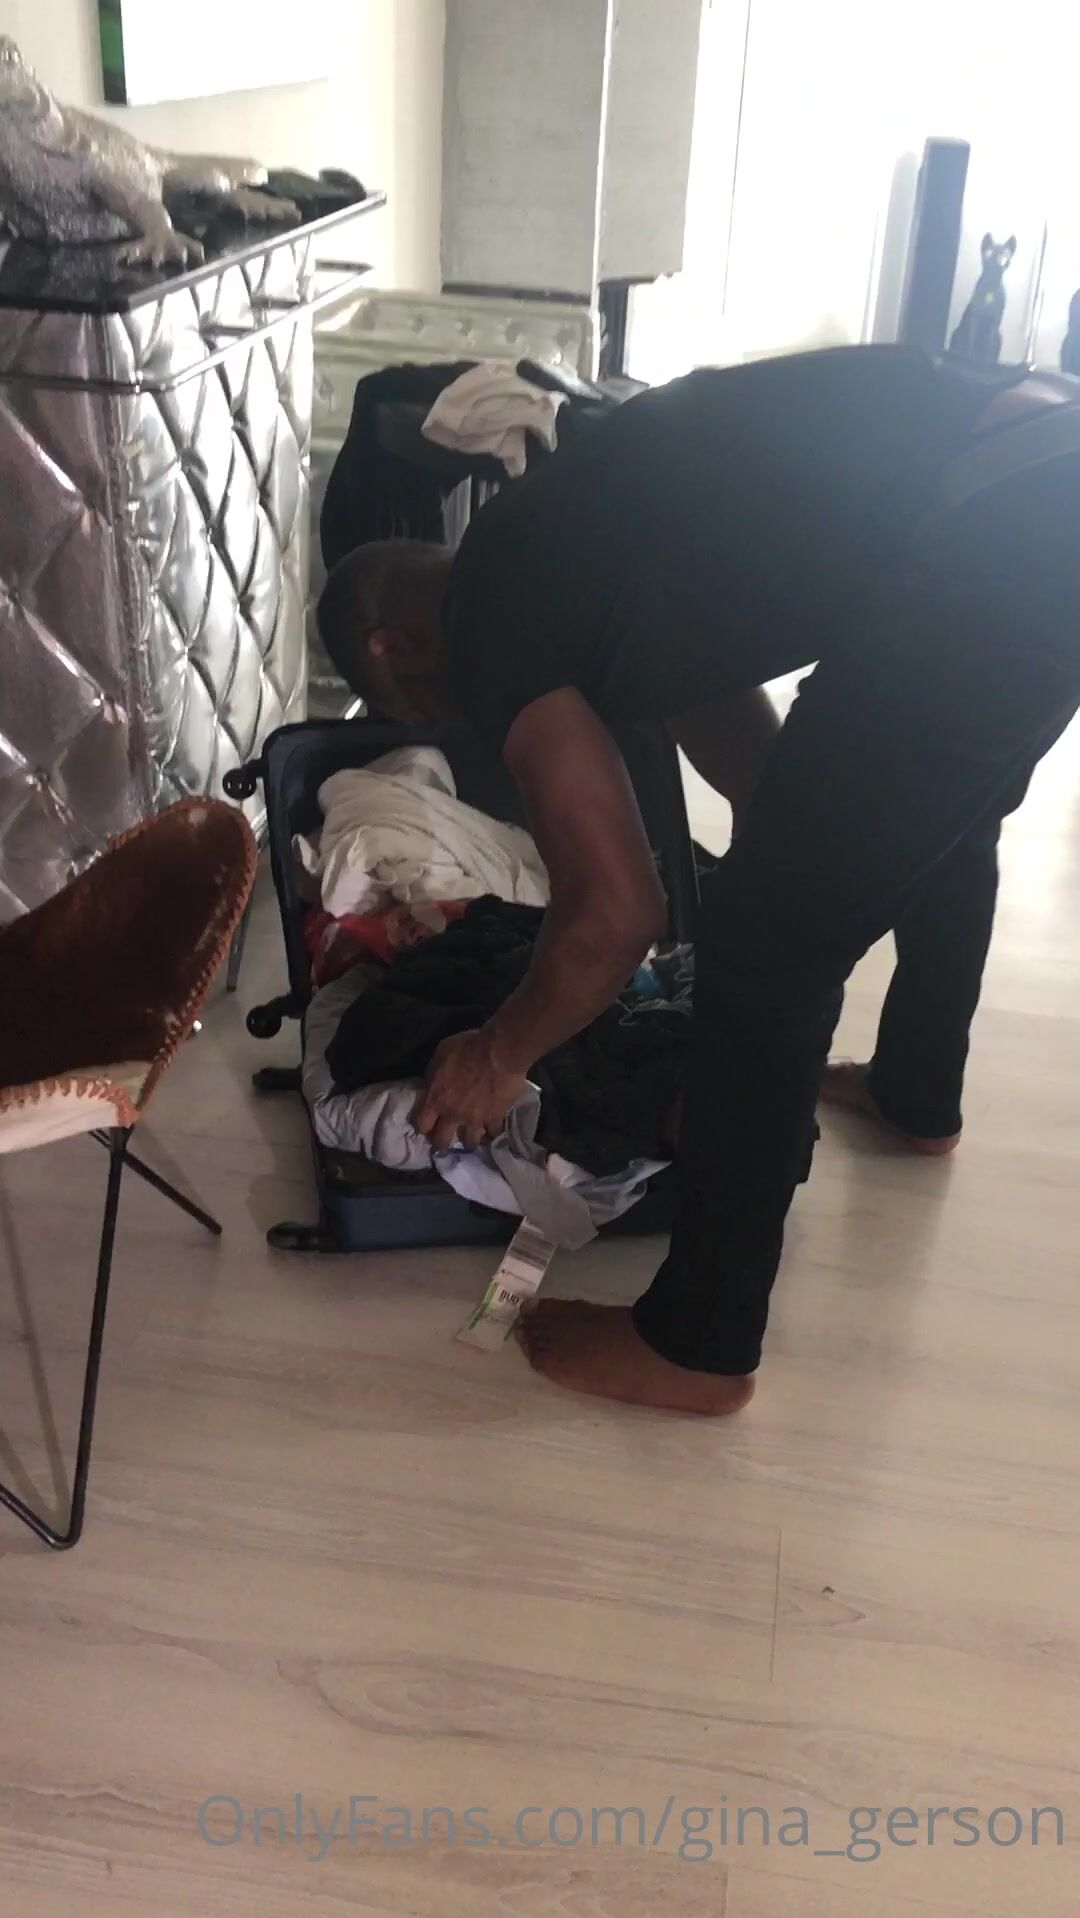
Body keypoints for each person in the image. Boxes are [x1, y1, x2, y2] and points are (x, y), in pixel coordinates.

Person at [316, 345, 1080, 1416]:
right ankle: (916, 1092)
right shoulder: (565, 551)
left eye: (408, 709)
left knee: (766, 945)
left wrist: (497, 1055)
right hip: (1039, 462)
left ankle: (699, 1343)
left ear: (391, 646)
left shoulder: (491, 621)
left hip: (997, 519)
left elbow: (614, 915)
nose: (438, 724)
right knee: (931, 809)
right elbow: (742, 741)